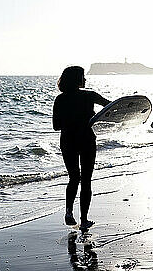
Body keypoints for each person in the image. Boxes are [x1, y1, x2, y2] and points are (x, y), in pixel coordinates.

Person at [53, 66, 110, 230]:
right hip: (86, 140)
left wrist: (71, 120)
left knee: (73, 177)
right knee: (86, 180)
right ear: (77, 79)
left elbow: (56, 126)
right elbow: (111, 107)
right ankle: (84, 220)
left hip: (68, 140)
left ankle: (69, 212)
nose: (85, 79)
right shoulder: (90, 95)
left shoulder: (60, 99)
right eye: (83, 77)